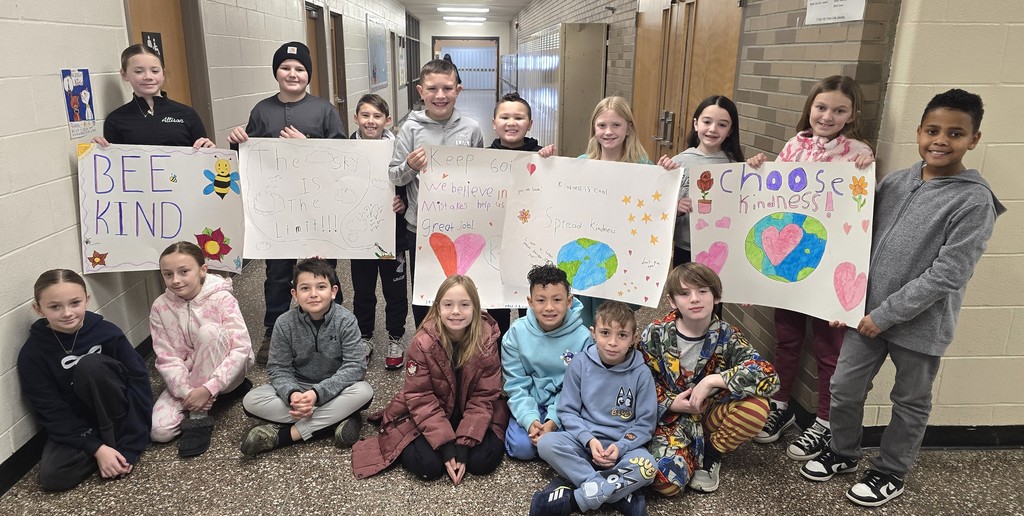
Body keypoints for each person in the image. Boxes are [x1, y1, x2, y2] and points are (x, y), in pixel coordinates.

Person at [801, 89, 1005, 507]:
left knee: (909, 401)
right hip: (864, 315)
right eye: (932, 130)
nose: (941, 140)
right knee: (844, 387)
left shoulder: (974, 200)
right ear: (919, 132)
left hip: (920, 324)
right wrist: (843, 300)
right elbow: (854, 237)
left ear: (974, 140)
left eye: (955, 133)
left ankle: (890, 470)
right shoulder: (895, 182)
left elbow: (950, 272)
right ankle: (843, 451)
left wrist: (886, 315)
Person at [746, 76, 875, 460]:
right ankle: (780, 405)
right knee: (786, 339)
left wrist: (866, 170)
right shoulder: (794, 146)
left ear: (852, 114)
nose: (828, 116)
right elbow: (774, 197)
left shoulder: (858, 154)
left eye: (839, 110)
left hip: (830, 266)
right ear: (810, 108)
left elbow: (859, 206)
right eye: (821, 107)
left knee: (828, 349)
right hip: (789, 263)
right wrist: (759, 169)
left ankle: (824, 422)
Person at [227, 41, 347, 364]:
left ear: (308, 74)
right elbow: (249, 158)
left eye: (300, 69)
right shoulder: (261, 111)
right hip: (276, 207)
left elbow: (341, 156)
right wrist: (236, 143)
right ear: (276, 72)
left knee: (323, 268)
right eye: (285, 68)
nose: (292, 74)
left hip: (317, 206)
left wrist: (307, 144)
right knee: (278, 273)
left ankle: (333, 328)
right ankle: (274, 332)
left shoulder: (324, 110)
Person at [351, 275, 508, 484]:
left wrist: (464, 443)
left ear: (476, 308)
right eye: (448, 304)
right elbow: (420, 396)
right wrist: (446, 446)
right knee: (428, 467)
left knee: (482, 462)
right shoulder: (422, 343)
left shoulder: (486, 341)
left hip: (470, 410)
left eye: (464, 305)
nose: (456, 311)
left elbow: (484, 396)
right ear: (437, 308)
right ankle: (440, 441)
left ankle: (462, 440)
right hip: (431, 410)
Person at [638, 263, 779, 496]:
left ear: (717, 297)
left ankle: (712, 453)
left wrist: (712, 380)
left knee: (756, 406)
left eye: (702, 291)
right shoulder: (656, 333)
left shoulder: (727, 335)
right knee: (666, 484)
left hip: (710, 415)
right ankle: (686, 452)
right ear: (672, 301)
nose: (694, 299)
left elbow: (768, 375)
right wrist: (670, 403)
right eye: (685, 293)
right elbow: (638, 379)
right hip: (671, 420)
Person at [17, 270, 153, 491]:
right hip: (80, 424)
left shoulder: (107, 332)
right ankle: (108, 449)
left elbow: (138, 381)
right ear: (38, 309)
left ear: (86, 300)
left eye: (75, 303)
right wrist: (97, 448)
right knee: (54, 477)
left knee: (91, 365)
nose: (67, 313)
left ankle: (120, 442)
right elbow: (50, 410)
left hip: (116, 411)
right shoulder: (32, 354)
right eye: (55, 307)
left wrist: (130, 448)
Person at [531, 301, 657, 516]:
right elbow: (568, 411)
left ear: (633, 339)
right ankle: (617, 492)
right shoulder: (580, 363)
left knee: (648, 466)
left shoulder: (641, 373)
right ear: (593, 333)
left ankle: (575, 499)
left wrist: (621, 446)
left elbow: (645, 424)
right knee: (546, 443)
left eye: (622, 335)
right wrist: (588, 439)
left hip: (623, 448)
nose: (612, 342)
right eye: (605, 333)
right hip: (584, 443)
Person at [240, 258, 372, 456]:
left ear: (334, 291)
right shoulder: (284, 323)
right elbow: (278, 368)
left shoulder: (346, 320)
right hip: (299, 388)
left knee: (364, 391)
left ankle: (284, 436)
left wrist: (317, 394)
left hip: (336, 390)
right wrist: (293, 394)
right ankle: (337, 419)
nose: (313, 294)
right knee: (252, 400)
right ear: (294, 294)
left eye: (321, 287)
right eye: (305, 288)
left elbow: (355, 367)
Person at [389, 58, 484, 329]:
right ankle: (427, 339)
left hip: (462, 224)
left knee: (462, 290)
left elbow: (482, 176)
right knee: (425, 291)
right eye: (432, 89)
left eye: (447, 88)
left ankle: (462, 340)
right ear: (421, 91)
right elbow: (394, 174)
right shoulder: (410, 129)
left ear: (458, 90)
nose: (440, 95)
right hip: (421, 227)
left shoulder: (472, 129)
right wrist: (409, 166)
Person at [573, 96, 679, 328]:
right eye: (602, 125)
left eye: (616, 125)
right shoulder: (581, 164)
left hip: (626, 255)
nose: (608, 131)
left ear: (628, 128)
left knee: (617, 320)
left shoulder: (644, 168)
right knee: (585, 319)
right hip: (589, 252)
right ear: (594, 128)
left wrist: (668, 181)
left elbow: (656, 209)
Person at [149, 242, 255, 457]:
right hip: (187, 378)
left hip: (228, 372)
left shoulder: (222, 298)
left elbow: (241, 348)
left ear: (202, 270)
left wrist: (208, 389)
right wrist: (187, 392)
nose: (175, 280)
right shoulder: (160, 307)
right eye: (168, 274)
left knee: (209, 332)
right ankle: (212, 398)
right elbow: (166, 358)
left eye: (184, 272)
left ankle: (199, 418)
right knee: (160, 432)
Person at [502, 264, 591, 460]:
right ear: (530, 302)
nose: (549, 307)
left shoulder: (584, 338)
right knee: (522, 448)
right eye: (541, 300)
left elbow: (578, 387)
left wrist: (553, 421)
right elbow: (515, 384)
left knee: (565, 445)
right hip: (530, 400)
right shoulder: (516, 334)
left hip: (567, 405)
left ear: (569, 301)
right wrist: (529, 420)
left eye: (557, 300)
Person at [348, 93, 409, 370]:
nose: (370, 121)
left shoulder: (398, 149)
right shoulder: (345, 149)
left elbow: (409, 182)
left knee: (395, 291)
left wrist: (403, 202)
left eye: (377, 116)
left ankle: (396, 337)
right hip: (359, 236)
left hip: (392, 235)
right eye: (365, 115)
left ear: (388, 120)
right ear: (356, 118)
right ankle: (364, 337)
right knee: (363, 291)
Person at [487, 91, 555, 337]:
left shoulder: (544, 157)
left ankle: (531, 354)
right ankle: (498, 355)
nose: (511, 123)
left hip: (533, 247)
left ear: (530, 123)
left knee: (532, 311)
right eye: (504, 117)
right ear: (493, 123)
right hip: (495, 248)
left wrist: (553, 164)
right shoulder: (482, 159)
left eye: (519, 117)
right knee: (496, 314)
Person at [669, 95, 745, 266]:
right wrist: (677, 209)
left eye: (722, 125)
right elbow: (662, 212)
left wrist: (757, 168)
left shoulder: (736, 166)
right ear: (696, 124)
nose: (713, 129)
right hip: (685, 248)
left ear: (730, 131)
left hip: (724, 248)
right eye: (707, 122)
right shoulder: (678, 163)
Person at [93, 44, 213, 148]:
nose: (148, 77)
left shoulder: (187, 114)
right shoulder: (116, 120)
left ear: (163, 74)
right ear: (124, 74)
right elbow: (113, 162)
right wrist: (95, 151)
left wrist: (209, 151)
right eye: (139, 71)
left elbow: (203, 158)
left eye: (155, 71)